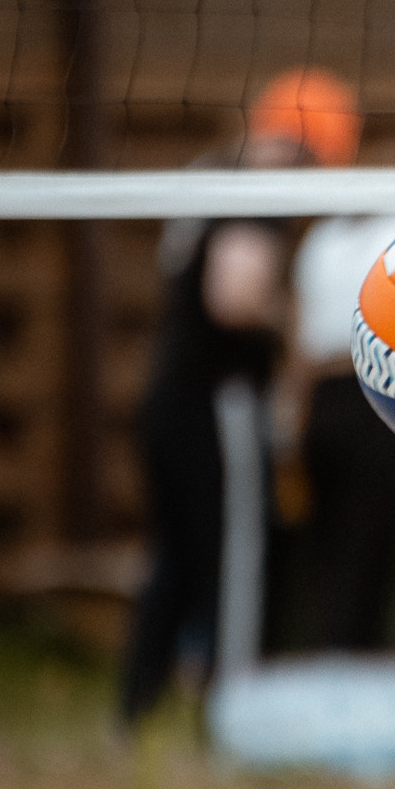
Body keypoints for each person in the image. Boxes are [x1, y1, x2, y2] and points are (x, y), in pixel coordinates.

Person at [119, 208, 285, 723]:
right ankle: (235, 710)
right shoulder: (252, 210)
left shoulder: (209, 197)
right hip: (216, 402)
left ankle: (136, 708)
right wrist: (292, 317)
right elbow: (234, 301)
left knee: (174, 558)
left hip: (168, 396)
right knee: (234, 557)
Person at [279, 73, 395, 653]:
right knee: (351, 544)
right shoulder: (361, 239)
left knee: (360, 543)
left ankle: (348, 656)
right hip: (358, 405)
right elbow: (300, 343)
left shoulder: (354, 236)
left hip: (361, 401)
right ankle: (345, 658)